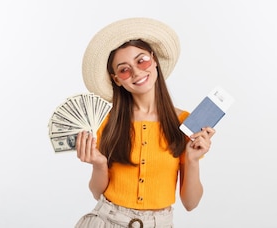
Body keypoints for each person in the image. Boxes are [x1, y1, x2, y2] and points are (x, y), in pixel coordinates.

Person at [74, 17, 216, 228]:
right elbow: (97, 193)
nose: (137, 72)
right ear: (117, 80)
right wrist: (99, 164)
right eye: (124, 69)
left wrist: (193, 161)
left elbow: (191, 203)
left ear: (154, 59)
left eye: (141, 61)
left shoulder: (185, 123)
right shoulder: (107, 122)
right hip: (106, 220)